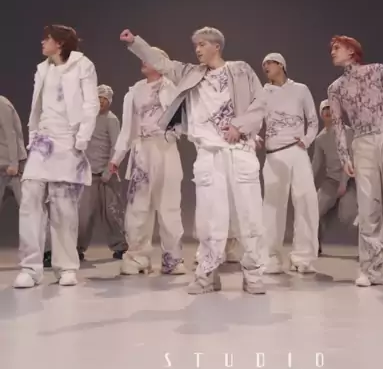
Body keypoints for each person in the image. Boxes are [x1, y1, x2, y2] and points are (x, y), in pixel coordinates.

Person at [119, 27, 266, 294]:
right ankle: (207, 274)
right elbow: (162, 63)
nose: (197, 49)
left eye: (202, 44)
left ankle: (253, 274)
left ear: (216, 46)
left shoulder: (241, 70)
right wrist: (135, 43)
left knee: (249, 215)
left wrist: (240, 125)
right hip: (208, 153)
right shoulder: (191, 74)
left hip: (240, 151)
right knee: (209, 219)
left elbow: (260, 101)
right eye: (196, 45)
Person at [327, 35, 383, 288]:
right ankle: (370, 269)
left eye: (337, 48)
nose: (332, 52)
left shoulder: (377, 70)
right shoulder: (335, 88)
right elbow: (338, 125)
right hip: (362, 143)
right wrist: (344, 156)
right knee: (368, 209)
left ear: (351, 50)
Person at [14, 25, 99, 288]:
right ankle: (30, 267)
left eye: (47, 38)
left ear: (60, 43)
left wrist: (82, 138)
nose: (43, 42)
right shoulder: (43, 69)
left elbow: (91, 103)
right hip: (43, 141)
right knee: (30, 199)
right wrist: (33, 134)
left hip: (67, 140)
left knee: (64, 206)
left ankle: (66, 267)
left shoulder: (83, 65)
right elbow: (37, 105)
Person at [109, 50, 185, 276]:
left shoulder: (172, 88)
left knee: (169, 205)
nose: (143, 60)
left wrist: (172, 134)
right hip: (142, 150)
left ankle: (173, 259)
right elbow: (127, 128)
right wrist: (117, 157)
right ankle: (137, 257)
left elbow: (182, 119)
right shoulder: (135, 91)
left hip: (165, 149)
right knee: (138, 206)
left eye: (149, 57)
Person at [261, 53, 319, 273]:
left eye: (269, 63)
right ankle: (271, 257)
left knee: (306, 201)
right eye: (264, 64)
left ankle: (303, 257)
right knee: (272, 206)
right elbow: (255, 118)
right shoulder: (262, 92)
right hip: (274, 154)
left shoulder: (301, 90)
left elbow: (312, 120)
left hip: (297, 151)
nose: (266, 67)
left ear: (281, 65)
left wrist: (306, 140)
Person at [77, 85, 127, 261]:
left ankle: (120, 247)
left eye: (105, 99)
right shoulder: (86, 119)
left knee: (112, 213)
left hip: (107, 176)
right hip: (88, 175)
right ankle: (77, 248)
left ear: (109, 102)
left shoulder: (111, 120)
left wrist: (109, 170)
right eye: (99, 98)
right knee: (83, 215)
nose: (101, 102)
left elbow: (117, 147)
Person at [312, 99, 357, 254]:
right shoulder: (320, 138)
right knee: (314, 210)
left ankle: (368, 249)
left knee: (349, 215)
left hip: (351, 180)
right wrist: (306, 183)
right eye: (324, 109)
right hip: (331, 181)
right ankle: (315, 245)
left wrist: (344, 183)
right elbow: (316, 164)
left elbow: (351, 159)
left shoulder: (348, 132)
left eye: (330, 109)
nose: (327, 112)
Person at [0, 95, 27, 214]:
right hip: (1, 166)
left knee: (26, 208)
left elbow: (10, 134)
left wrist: (14, 163)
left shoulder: (2, 104)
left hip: (13, 167)